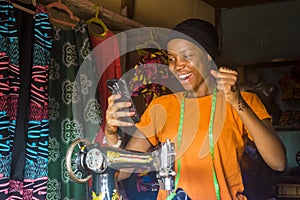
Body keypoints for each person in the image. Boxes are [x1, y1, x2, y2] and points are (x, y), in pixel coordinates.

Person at [104, 18, 287, 200]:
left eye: (187, 56)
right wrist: (111, 135)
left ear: (208, 55)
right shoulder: (162, 107)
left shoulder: (244, 101)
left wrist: (236, 101)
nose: (177, 66)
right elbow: (122, 172)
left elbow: (278, 162)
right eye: (172, 59)